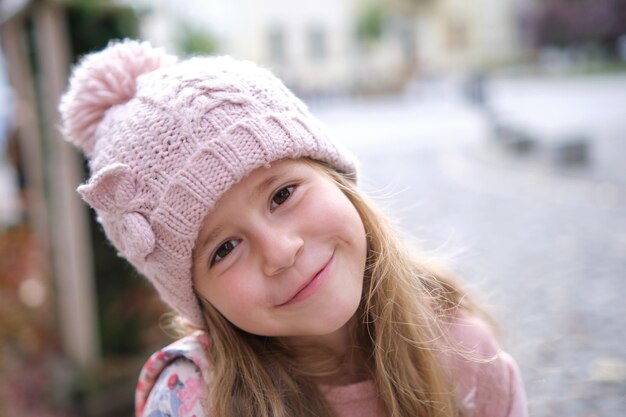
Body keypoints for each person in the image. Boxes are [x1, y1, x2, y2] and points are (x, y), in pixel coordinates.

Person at [59, 40, 528, 417]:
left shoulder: (465, 357)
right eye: (224, 249)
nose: (281, 251)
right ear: (198, 298)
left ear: (335, 177)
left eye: (283, 194)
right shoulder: (193, 403)